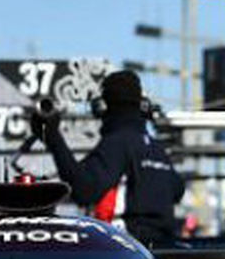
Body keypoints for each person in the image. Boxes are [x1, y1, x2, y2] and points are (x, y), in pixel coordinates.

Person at [32, 70, 185, 246]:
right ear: (141, 105)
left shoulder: (117, 143)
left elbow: (84, 190)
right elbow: (178, 189)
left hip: (127, 249)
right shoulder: (157, 149)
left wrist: (53, 138)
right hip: (163, 250)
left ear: (104, 106)